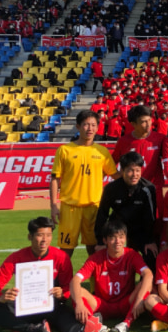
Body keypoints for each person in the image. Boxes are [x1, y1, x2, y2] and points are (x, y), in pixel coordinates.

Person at [0, 217, 102, 332]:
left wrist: (62, 293)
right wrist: (0, 297)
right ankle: (34, 328)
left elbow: (67, 287)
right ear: (30, 237)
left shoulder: (61, 257)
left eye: (48, 235)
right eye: (40, 235)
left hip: (51, 305)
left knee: (61, 313)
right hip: (24, 307)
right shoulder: (16, 258)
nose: (44, 240)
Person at [69, 218, 153, 332]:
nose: (117, 241)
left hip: (125, 303)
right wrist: (79, 303)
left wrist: (139, 299)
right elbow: (75, 280)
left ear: (125, 239)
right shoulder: (96, 258)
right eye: (113, 237)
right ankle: (95, 326)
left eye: (121, 237)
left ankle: (126, 324)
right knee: (78, 292)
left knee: (146, 285)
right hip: (101, 305)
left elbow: (148, 274)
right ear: (105, 240)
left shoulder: (132, 255)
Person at [50, 110, 118, 258]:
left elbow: (115, 175)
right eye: (86, 125)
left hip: (93, 207)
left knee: (95, 249)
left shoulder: (102, 152)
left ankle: (96, 281)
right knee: (66, 251)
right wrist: (54, 205)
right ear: (78, 126)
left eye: (93, 125)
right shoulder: (64, 150)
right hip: (69, 207)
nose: (90, 128)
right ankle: (62, 281)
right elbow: (55, 178)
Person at [94, 151, 158, 271]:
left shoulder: (148, 189)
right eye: (130, 170)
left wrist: (150, 240)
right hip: (118, 230)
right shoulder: (111, 189)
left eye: (138, 170)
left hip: (140, 231)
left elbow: (151, 217)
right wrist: (101, 241)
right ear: (122, 171)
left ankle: (149, 286)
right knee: (108, 256)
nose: (134, 174)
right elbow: (102, 214)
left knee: (151, 254)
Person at [112, 105, 167, 220]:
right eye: (143, 122)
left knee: (156, 225)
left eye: (149, 120)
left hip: (154, 190)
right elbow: (111, 163)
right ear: (133, 124)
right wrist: (120, 178)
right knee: (131, 227)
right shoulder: (124, 141)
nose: (148, 125)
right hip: (131, 192)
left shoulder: (160, 139)